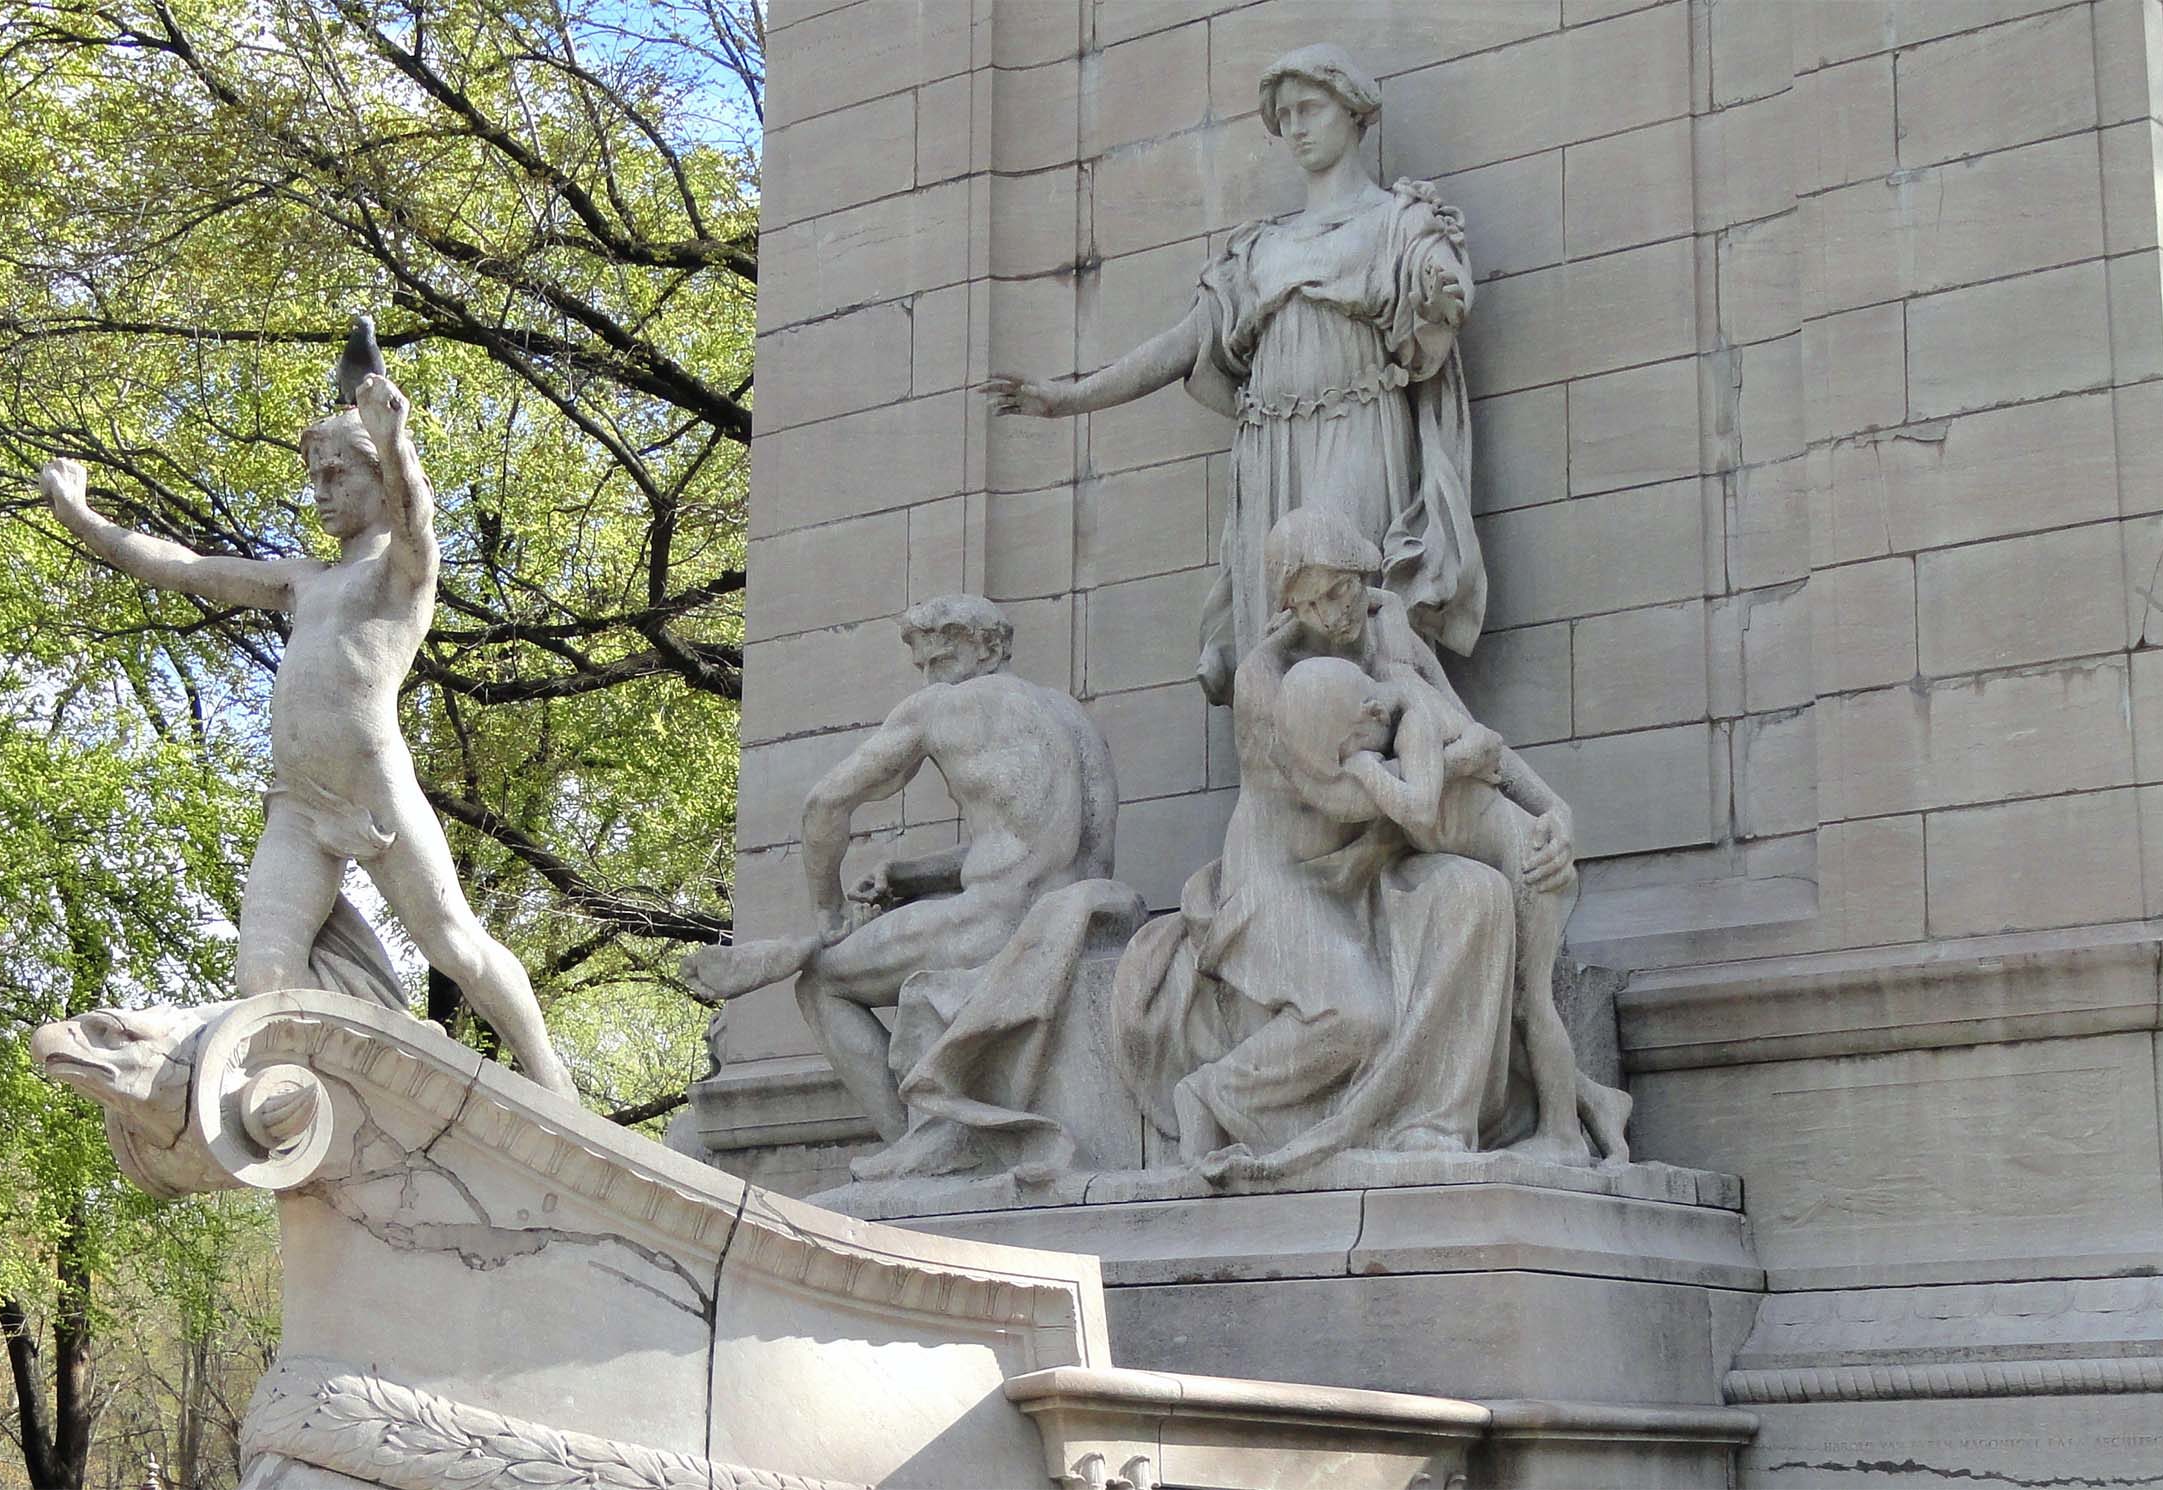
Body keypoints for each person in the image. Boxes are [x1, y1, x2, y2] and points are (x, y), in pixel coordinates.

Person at [34, 374, 575, 1097]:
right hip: (297, 802)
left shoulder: (400, 571)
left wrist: (395, 442)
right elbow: (185, 568)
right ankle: (337, 1096)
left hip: (370, 787)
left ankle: (554, 1087)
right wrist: (82, 518)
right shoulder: (301, 579)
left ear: (377, 478)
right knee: (262, 977)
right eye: (313, 475)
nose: (319, 490)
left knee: (453, 943)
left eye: (336, 473)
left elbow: (418, 522)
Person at [1115, 509, 1627, 1180]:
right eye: (1312, 602)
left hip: (1379, 854)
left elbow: (1471, 734)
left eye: (1343, 590)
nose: (1334, 614)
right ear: (1289, 606)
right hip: (1285, 871)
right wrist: (1439, 764)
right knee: (1360, 1017)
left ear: (1363, 573)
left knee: (1479, 893)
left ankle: (1433, 1128)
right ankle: (1214, 1092)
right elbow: (1345, 796)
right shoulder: (1265, 681)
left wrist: (1553, 811)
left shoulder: (1391, 627)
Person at [983, 42, 1483, 702]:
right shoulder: (1261, 247)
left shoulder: (1400, 221)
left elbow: (1442, 295)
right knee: (1274, 630)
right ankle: (1290, 789)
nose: (1296, 127)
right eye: (1284, 116)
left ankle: (1377, 785)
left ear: (1355, 112)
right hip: (1269, 449)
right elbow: (1180, 345)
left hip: (1357, 428)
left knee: (1339, 603)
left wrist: (1443, 295)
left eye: (1310, 108)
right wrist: (1066, 398)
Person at [680, 595, 1116, 1142]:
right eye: (924, 667)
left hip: (999, 923)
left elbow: (824, 807)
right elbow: (1030, 844)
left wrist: (828, 910)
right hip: (1080, 918)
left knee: (822, 982)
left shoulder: (938, 709)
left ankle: (916, 1149)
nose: (931, 679)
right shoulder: (1072, 719)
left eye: (942, 662)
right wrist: (910, 875)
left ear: (987, 649)